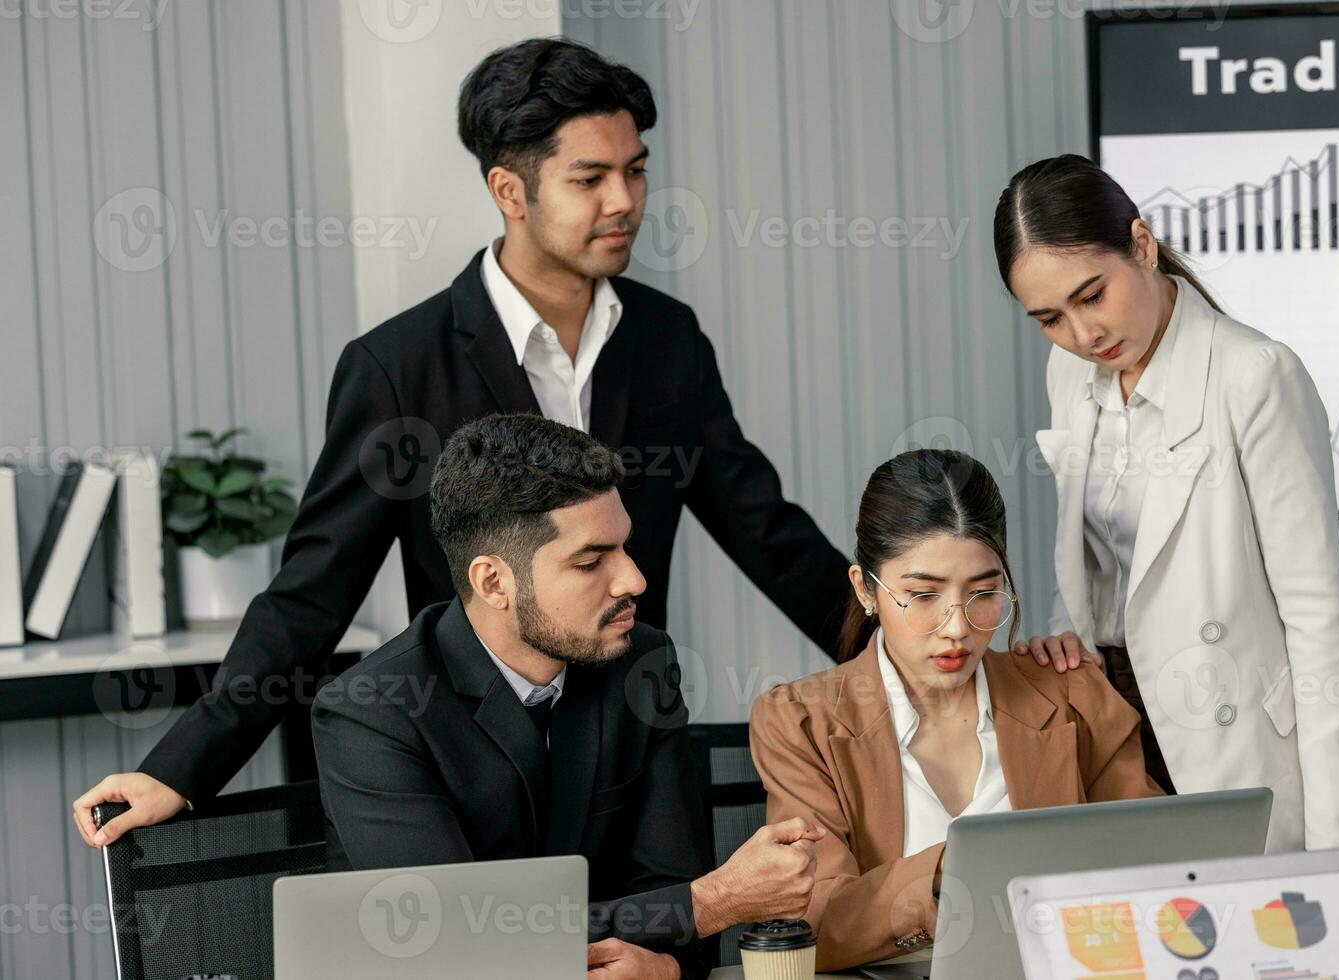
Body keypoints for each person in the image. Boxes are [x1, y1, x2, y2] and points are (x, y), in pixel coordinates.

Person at [72, 38, 849, 848]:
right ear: (509, 190)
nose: (625, 200)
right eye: (589, 179)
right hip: (469, 774)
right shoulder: (399, 368)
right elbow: (312, 592)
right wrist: (181, 766)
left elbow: (769, 531)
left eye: (636, 169)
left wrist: (914, 642)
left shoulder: (668, 340)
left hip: (631, 756)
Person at [994, 153, 1339, 930]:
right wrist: (1074, 642)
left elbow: (1319, 623)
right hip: (1118, 738)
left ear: (1140, 243)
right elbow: (1107, 566)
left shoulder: (1255, 375)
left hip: (1229, 744)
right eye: (1049, 318)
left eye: (1090, 296)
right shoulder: (1070, 375)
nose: (1081, 332)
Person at [313, 414, 825, 980]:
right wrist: (712, 902)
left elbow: (675, 903)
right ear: (493, 582)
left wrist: (666, 970)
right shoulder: (372, 711)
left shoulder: (641, 661)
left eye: (625, 548)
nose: (633, 580)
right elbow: (456, 938)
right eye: (590, 561)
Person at [748, 449, 1162, 972]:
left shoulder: (1070, 692)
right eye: (923, 595)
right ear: (864, 590)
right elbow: (817, 926)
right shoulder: (800, 721)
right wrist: (960, 867)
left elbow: (1156, 866)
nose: (958, 627)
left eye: (984, 592)